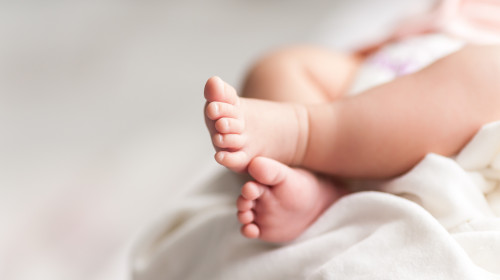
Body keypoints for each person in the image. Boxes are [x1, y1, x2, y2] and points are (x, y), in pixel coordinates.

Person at [203, 0, 500, 243]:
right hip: (394, 69)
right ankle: (318, 190)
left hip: (461, 104)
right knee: (281, 67)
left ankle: (301, 132)